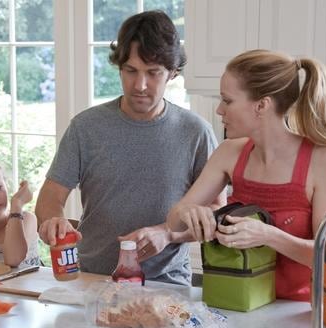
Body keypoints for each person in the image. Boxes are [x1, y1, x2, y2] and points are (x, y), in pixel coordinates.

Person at [35, 10, 222, 285]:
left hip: (166, 283)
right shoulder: (86, 127)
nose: (140, 85)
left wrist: (168, 233)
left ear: (172, 73)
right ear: (119, 67)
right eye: (131, 71)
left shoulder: (196, 133)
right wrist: (52, 220)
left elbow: (215, 215)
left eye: (153, 73)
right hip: (92, 279)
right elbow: (51, 195)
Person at [167, 49, 326, 301]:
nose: (219, 110)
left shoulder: (325, 160)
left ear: (262, 105)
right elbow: (174, 221)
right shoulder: (229, 153)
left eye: (227, 100)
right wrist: (187, 212)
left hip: (299, 314)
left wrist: (267, 235)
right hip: (235, 305)